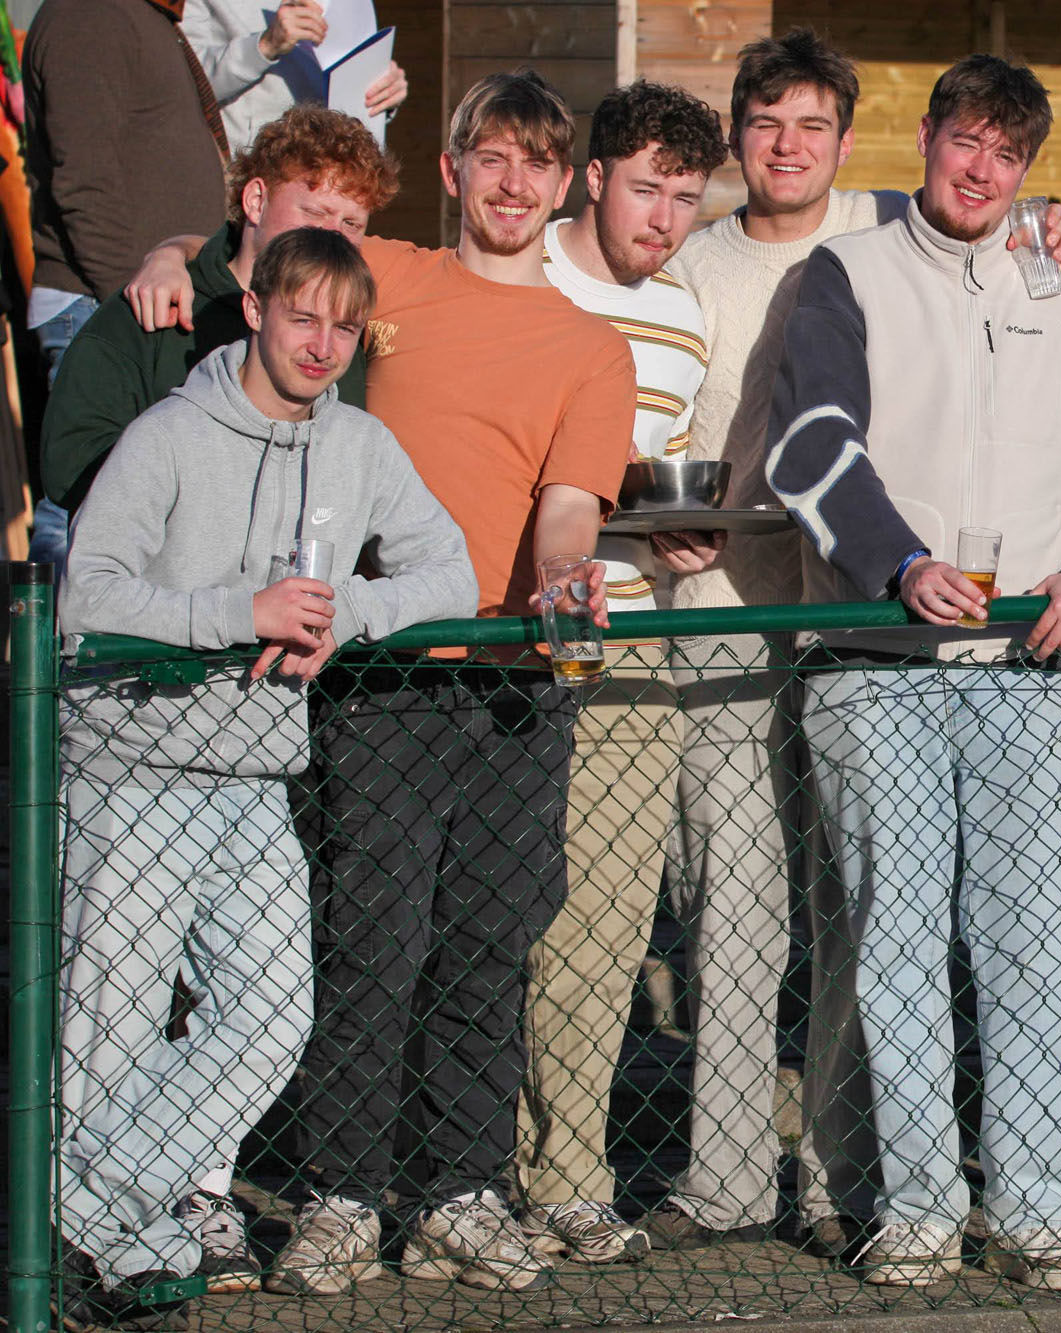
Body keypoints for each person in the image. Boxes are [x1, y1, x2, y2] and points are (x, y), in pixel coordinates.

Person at [124, 70, 640, 1295]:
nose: (512, 183)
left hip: (515, 685)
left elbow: (568, 508)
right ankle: (341, 1195)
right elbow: (265, 255)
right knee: (370, 944)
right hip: (377, 675)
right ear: (453, 170)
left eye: (536, 163)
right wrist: (165, 249)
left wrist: (566, 580)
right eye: (490, 157)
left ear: (562, 186)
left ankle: (458, 1192)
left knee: (486, 947)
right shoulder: (389, 276)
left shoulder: (591, 345)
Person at [660, 28, 1061, 1256]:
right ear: (736, 135)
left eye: (810, 126)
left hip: (864, 623)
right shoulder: (687, 261)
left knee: (863, 917)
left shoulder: (890, 227)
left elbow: (992, 217)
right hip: (729, 608)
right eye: (764, 124)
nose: (786, 146)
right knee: (739, 903)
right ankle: (726, 1176)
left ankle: (844, 1171)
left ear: (848, 142)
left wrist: (1045, 221)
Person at [767, 54, 1061, 1292]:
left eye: (1006, 153)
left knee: (1034, 949)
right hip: (878, 661)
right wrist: (896, 562)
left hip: (1030, 668)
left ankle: (1037, 1213)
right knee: (894, 949)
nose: (980, 170)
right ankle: (920, 1212)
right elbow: (807, 443)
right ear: (926, 140)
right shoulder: (845, 274)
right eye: (964, 141)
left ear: (1027, 169)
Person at [54, 226, 474, 1328]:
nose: (323, 343)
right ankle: (115, 1248)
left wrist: (350, 613)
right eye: (302, 316)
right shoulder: (166, 434)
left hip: (252, 775)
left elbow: (452, 572)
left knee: (274, 1015)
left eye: (345, 326)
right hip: (132, 766)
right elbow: (85, 596)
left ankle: (78, 1200)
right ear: (254, 311)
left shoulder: (360, 445)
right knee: (109, 1026)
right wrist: (234, 616)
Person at [514, 77, 727, 1267]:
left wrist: (676, 535)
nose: (663, 217)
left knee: (603, 922)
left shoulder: (685, 315)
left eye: (685, 198)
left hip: (631, 633)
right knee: (493, 918)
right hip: (500, 633)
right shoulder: (519, 273)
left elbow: (653, 475)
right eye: (646, 188)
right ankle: (466, 1170)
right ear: (592, 177)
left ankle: (569, 1178)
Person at [42, 103, 396, 514]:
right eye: (315, 213)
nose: (331, 238)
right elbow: (70, 464)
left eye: (351, 225)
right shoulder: (156, 306)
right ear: (256, 201)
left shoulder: (340, 331)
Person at [21, 0, 231, 570]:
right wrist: (126, 317)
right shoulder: (89, 14)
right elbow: (83, 186)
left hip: (140, 305)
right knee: (86, 507)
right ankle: (53, 632)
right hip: (106, 307)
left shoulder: (146, 16)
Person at [182, 0, 408, 153]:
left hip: (330, 169)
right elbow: (181, 83)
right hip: (250, 175)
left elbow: (348, 67)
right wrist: (265, 46)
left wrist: (381, 89)